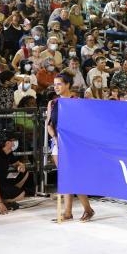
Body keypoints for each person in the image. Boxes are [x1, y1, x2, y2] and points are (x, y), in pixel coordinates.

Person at [47, 72, 95, 222]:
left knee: (73, 176)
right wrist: (55, 139)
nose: (56, 87)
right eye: (54, 84)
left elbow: (83, 124)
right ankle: (68, 212)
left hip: (74, 145)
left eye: (59, 84)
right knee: (66, 177)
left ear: (68, 84)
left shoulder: (77, 101)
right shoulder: (53, 103)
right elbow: (49, 125)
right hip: (57, 144)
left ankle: (88, 209)